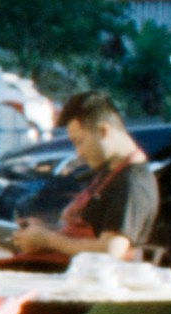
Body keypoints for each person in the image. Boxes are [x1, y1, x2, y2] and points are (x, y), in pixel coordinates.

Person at [12, 89, 160, 261]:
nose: (78, 153)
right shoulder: (109, 170)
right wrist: (46, 229)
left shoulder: (132, 183)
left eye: (79, 142)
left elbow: (111, 250)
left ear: (103, 131)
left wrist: (47, 240)